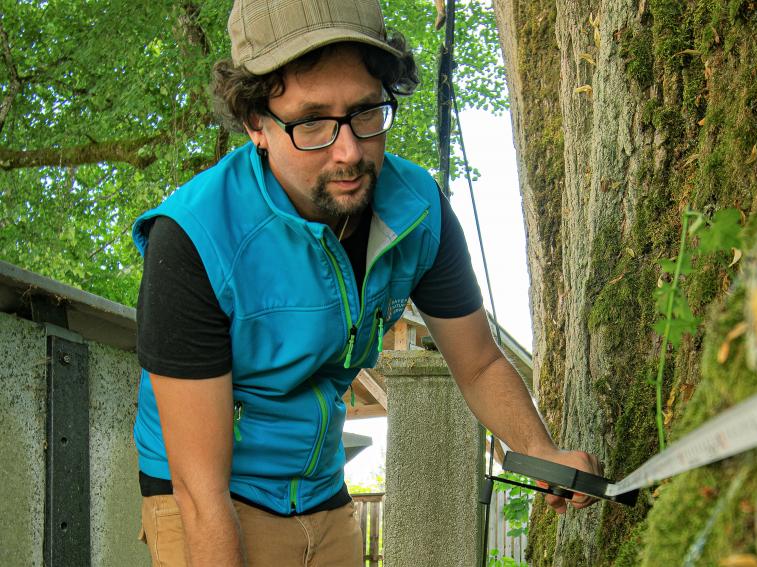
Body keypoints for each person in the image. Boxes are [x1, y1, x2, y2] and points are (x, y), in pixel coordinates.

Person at [132, 1, 601, 565]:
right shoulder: (193, 240)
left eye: (365, 113)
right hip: (207, 499)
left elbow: (477, 363)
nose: (349, 152)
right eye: (311, 123)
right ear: (257, 124)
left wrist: (539, 451)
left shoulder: (417, 208)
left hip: (323, 489)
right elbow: (200, 496)